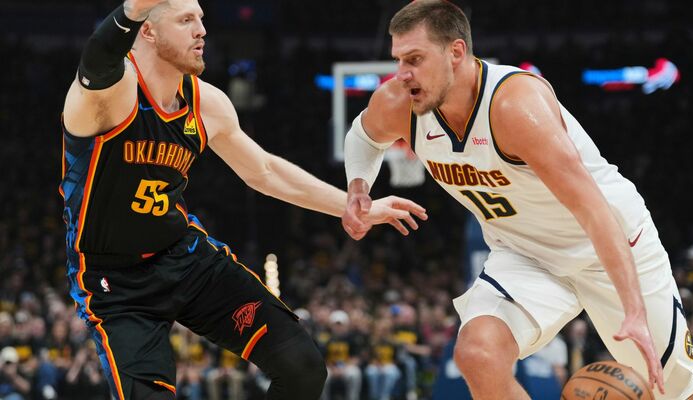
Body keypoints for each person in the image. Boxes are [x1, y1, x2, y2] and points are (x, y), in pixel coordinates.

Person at [59, 1, 427, 399]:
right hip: (116, 281)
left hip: (185, 260)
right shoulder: (111, 94)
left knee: (302, 368)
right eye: (186, 20)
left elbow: (264, 171)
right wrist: (131, 9)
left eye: (201, 18)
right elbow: (96, 64)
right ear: (146, 31)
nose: (201, 30)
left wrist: (352, 206)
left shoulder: (206, 102)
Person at [341, 1, 693, 398]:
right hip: (526, 253)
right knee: (478, 354)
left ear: (456, 52)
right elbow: (362, 137)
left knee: (670, 389)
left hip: (607, 244)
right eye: (398, 60)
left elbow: (593, 210)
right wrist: (359, 186)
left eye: (414, 59)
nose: (402, 73)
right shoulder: (398, 102)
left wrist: (634, 311)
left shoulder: (514, 107)